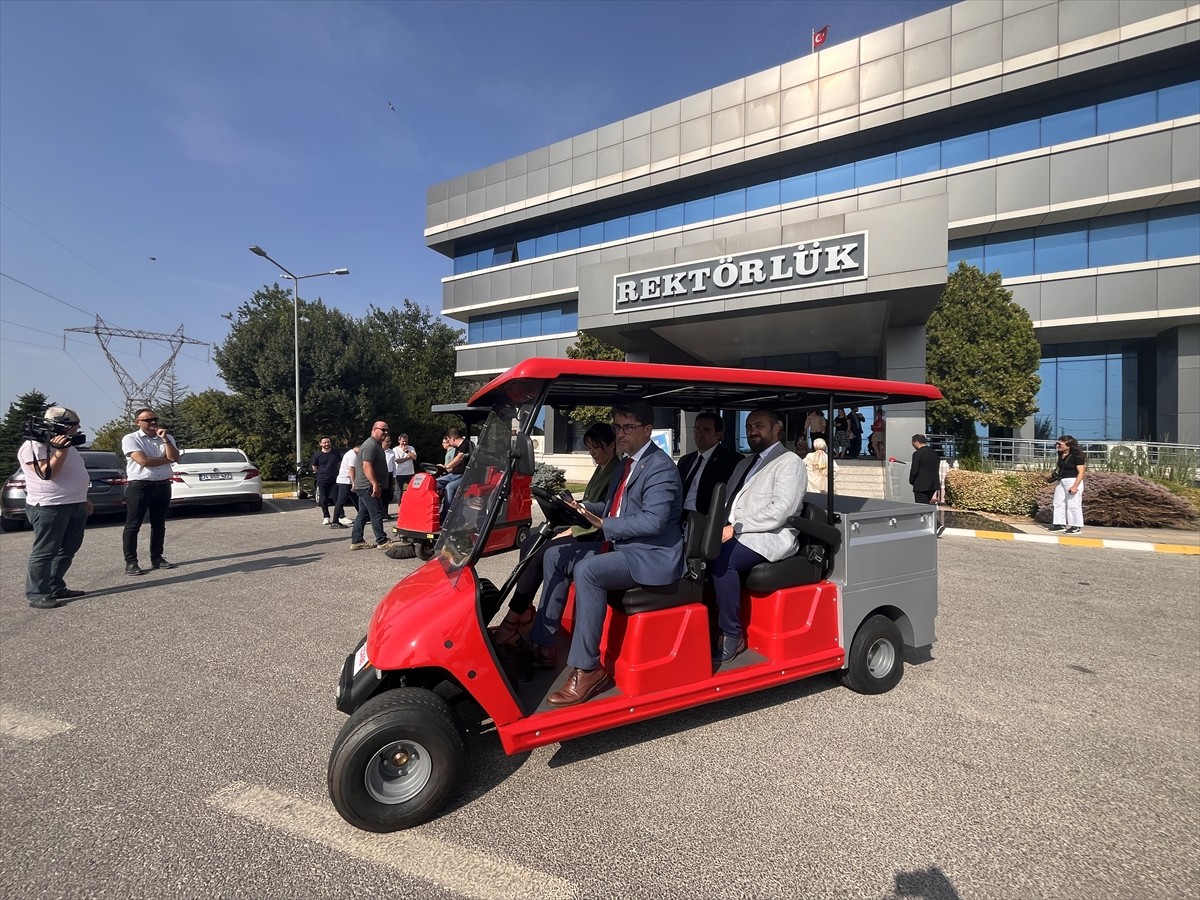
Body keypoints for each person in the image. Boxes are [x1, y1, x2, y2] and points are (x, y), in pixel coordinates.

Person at [530, 400, 685, 707]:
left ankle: (588, 669)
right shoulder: (626, 465)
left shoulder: (661, 468)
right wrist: (581, 507)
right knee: (554, 556)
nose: (621, 434)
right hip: (625, 546)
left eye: (628, 428)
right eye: (617, 427)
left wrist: (605, 524)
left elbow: (653, 521)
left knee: (589, 570)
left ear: (647, 430)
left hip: (651, 554)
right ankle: (543, 643)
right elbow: (613, 506)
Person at [490, 422, 619, 647]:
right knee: (531, 541)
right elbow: (587, 504)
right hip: (585, 527)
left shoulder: (615, 471)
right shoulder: (601, 468)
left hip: (596, 534)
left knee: (543, 551)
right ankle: (525, 610)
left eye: (596, 447)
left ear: (611, 446)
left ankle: (513, 621)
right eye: (589, 448)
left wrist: (572, 525)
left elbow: (602, 510)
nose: (592, 453)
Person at [711, 409, 806, 664]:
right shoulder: (745, 463)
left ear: (776, 428)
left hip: (770, 534)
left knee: (723, 559)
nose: (752, 431)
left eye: (759, 425)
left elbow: (781, 511)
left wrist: (736, 528)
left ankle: (732, 634)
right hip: (738, 530)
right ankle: (708, 623)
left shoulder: (789, 462)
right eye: (749, 426)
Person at [18, 406, 91, 609]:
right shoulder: (32, 446)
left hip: (74, 503)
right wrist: (60, 451)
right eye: (75, 424)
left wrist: (83, 498)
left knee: (69, 548)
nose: (78, 428)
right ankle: (37, 593)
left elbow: (73, 473)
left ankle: (55, 585)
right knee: (46, 551)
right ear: (61, 426)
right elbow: (47, 473)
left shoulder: (67, 443)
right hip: (49, 505)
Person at [121, 407, 179, 576]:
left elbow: (175, 458)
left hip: (162, 485)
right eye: (148, 420)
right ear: (137, 422)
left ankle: (157, 557)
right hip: (140, 486)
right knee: (133, 525)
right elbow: (143, 461)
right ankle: (131, 562)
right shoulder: (131, 438)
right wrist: (165, 460)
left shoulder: (167, 438)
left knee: (159, 524)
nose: (153, 422)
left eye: (155, 419)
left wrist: (166, 440)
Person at [676, 413, 739, 516]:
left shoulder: (731, 460)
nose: (699, 434)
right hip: (680, 517)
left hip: (707, 518)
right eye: (697, 429)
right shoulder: (685, 460)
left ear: (718, 434)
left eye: (706, 430)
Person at [351, 421, 391, 550]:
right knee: (376, 513)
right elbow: (366, 466)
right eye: (383, 430)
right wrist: (375, 484)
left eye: (387, 430)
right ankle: (382, 541)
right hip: (367, 486)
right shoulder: (370, 445)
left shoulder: (376, 445)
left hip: (365, 486)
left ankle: (357, 541)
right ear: (374, 430)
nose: (385, 432)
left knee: (363, 514)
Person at [1049, 435, 1087, 535]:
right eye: (1057, 444)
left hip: (1072, 480)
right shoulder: (1061, 454)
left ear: (1069, 445)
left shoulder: (1077, 456)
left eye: (1060, 444)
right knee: (1058, 502)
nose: (1058, 446)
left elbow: (1081, 472)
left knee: (1073, 503)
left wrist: (1075, 486)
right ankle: (1059, 523)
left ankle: (1076, 525)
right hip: (1061, 480)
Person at [436, 428, 471, 520]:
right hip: (453, 475)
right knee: (433, 483)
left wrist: (446, 466)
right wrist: (443, 468)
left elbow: (459, 458)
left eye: (449, 441)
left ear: (453, 438)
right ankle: (429, 512)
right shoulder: (457, 448)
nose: (449, 443)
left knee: (450, 487)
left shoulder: (466, 444)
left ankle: (446, 516)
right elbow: (454, 463)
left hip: (464, 475)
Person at [310, 437, 342, 526]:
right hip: (322, 479)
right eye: (324, 442)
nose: (327, 444)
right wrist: (321, 473)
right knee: (323, 499)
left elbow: (339, 464)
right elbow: (314, 467)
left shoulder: (335, 453)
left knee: (337, 498)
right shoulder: (317, 455)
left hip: (334, 479)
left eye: (328, 442)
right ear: (320, 444)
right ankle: (326, 517)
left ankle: (340, 516)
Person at [330, 441, 359, 528]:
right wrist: (354, 483)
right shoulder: (352, 455)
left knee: (356, 499)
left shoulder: (351, 453)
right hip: (345, 481)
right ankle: (335, 521)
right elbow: (351, 470)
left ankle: (364, 516)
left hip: (346, 480)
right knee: (341, 501)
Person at [909, 434, 940, 504]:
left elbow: (914, 470)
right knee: (927, 504)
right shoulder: (934, 453)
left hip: (921, 484)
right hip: (933, 484)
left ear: (916, 442)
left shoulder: (917, 454)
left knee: (921, 505)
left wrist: (911, 480)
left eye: (912, 443)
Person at [382, 434, 396, 520]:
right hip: (381, 474)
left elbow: (393, 465)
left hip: (389, 474)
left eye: (390, 441)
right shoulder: (378, 451)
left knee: (387, 494)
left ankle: (385, 512)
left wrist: (394, 476)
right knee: (380, 494)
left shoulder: (391, 452)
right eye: (387, 441)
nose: (389, 443)